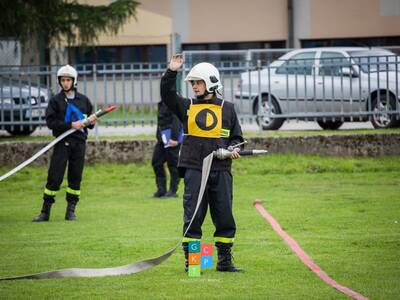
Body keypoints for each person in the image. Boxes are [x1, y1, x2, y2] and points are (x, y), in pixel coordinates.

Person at [161, 54, 244, 272]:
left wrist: (236, 148)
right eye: (193, 83)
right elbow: (167, 95)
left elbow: (237, 138)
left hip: (221, 171)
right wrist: (171, 71)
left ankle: (225, 262)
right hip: (195, 169)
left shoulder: (228, 108)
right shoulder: (186, 106)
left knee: (225, 215)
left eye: (198, 82)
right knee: (193, 217)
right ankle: (194, 264)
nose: (195, 87)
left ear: (211, 82)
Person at [32, 64, 97, 222]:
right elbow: (51, 122)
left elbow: (89, 122)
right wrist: (70, 125)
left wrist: (91, 121)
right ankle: (45, 212)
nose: (65, 83)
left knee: (75, 177)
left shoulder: (84, 101)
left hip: (79, 144)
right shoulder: (56, 101)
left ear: (73, 81)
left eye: (68, 80)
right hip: (62, 143)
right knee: (54, 176)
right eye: (63, 80)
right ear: (59, 82)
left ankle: (71, 211)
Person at [151, 101, 182, 198]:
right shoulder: (162, 103)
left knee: (173, 165)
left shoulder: (173, 101)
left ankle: (173, 191)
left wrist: (174, 138)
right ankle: (161, 190)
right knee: (156, 162)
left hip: (172, 138)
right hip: (162, 139)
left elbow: (177, 120)